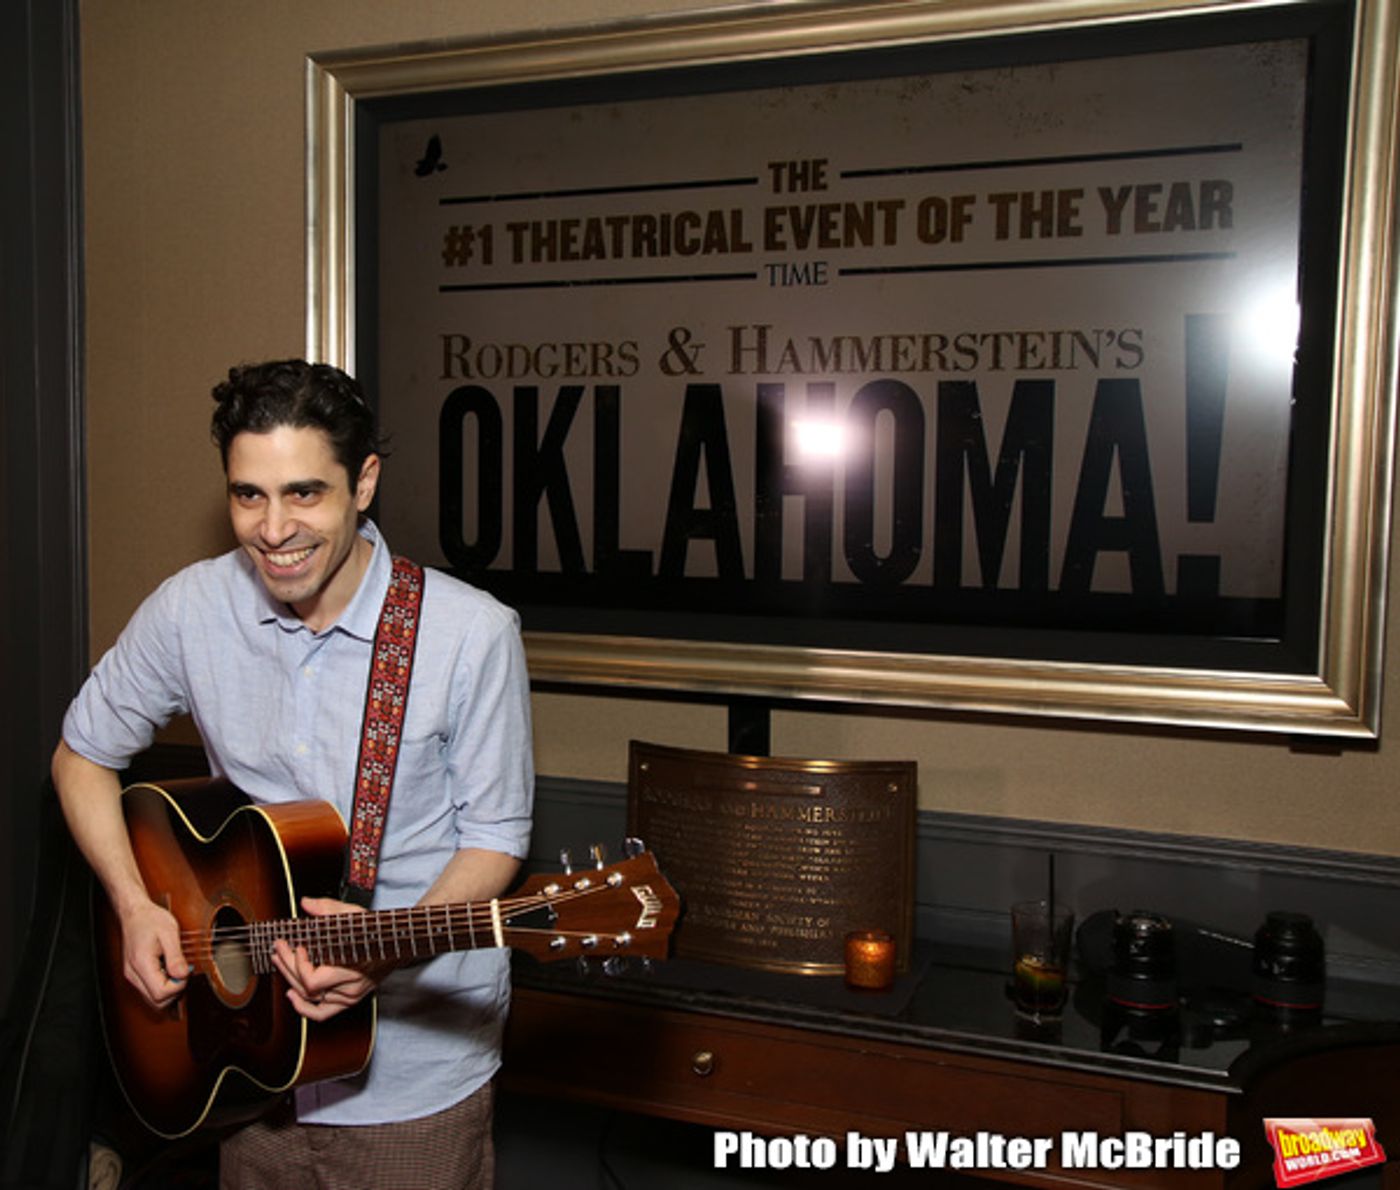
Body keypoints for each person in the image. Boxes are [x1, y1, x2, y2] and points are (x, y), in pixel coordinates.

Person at [52, 359, 534, 1189]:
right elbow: (81, 755)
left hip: (412, 1087)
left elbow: (495, 837)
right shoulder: (190, 610)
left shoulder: (469, 635)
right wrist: (135, 906)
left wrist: (381, 957)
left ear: (365, 483)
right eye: (249, 496)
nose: (274, 529)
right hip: (240, 1063)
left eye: (305, 493)